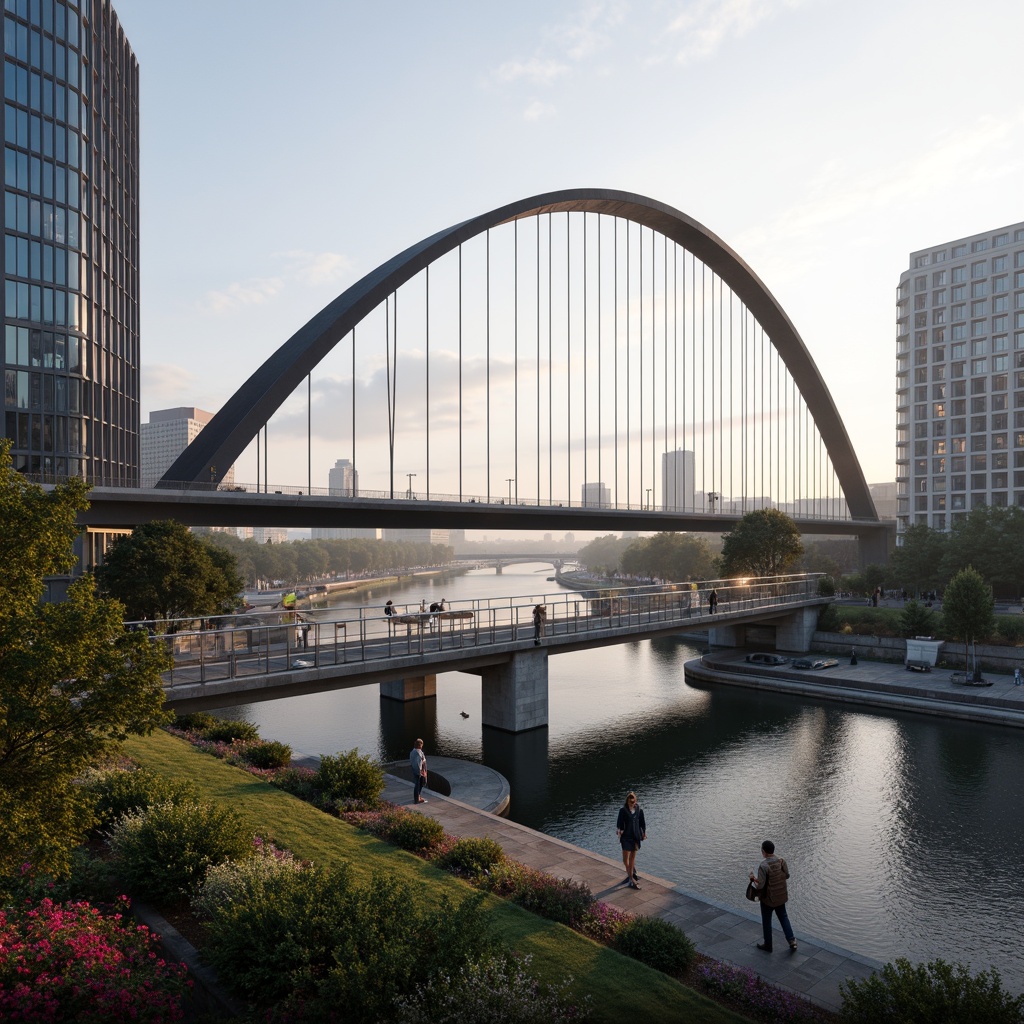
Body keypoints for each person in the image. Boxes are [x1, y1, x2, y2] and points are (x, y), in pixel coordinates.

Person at [748, 839, 797, 952]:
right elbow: (787, 876)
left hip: (768, 899)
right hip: (781, 896)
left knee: (767, 920)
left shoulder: (763, 865)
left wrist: (753, 879)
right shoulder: (781, 861)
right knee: (784, 917)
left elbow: (760, 886)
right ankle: (792, 941)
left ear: (763, 851)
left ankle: (768, 945)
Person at [616, 791, 647, 889]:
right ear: (627, 801)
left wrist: (644, 833)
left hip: (636, 837)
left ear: (635, 801)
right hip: (626, 837)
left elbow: (642, 823)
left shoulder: (639, 810)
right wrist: (619, 832)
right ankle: (631, 875)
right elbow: (619, 824)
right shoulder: (623, 811)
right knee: (625, 860)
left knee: (632, 859)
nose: (632, 804)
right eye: (630, 802)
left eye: (633, 802)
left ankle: (631, 878)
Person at [410, 738, 428, 804]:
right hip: (418, 772)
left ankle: (418, 797)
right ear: (419, 745)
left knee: (420, 784)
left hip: (419, 771)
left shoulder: (415, 751)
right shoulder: (417, 753)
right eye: (421, 745)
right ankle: (417, 799)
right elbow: (417, 764)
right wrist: (420, 772)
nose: (422, 746)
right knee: (418, 785)